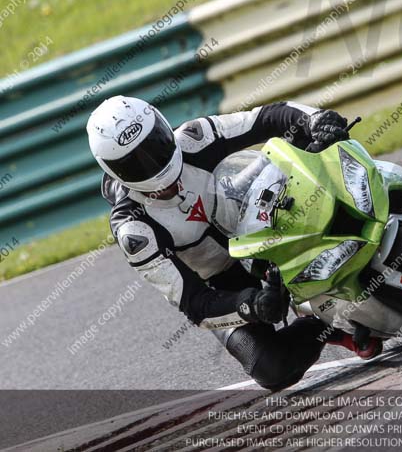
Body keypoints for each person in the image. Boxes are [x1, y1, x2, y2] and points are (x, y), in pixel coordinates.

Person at [86, 95, 382, 391]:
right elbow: (195, 304)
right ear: (115, 172)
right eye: (137, 164)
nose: (155, 163)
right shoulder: (134, 229)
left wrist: (315, 119)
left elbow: (267, 117)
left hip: (263, 217)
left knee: (314, 143)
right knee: (271, 369)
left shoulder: (193, 137)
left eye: (157, 143)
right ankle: (327, 326)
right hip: (223, 283)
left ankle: (390, 198)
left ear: (163, 126)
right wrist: (249, 305)